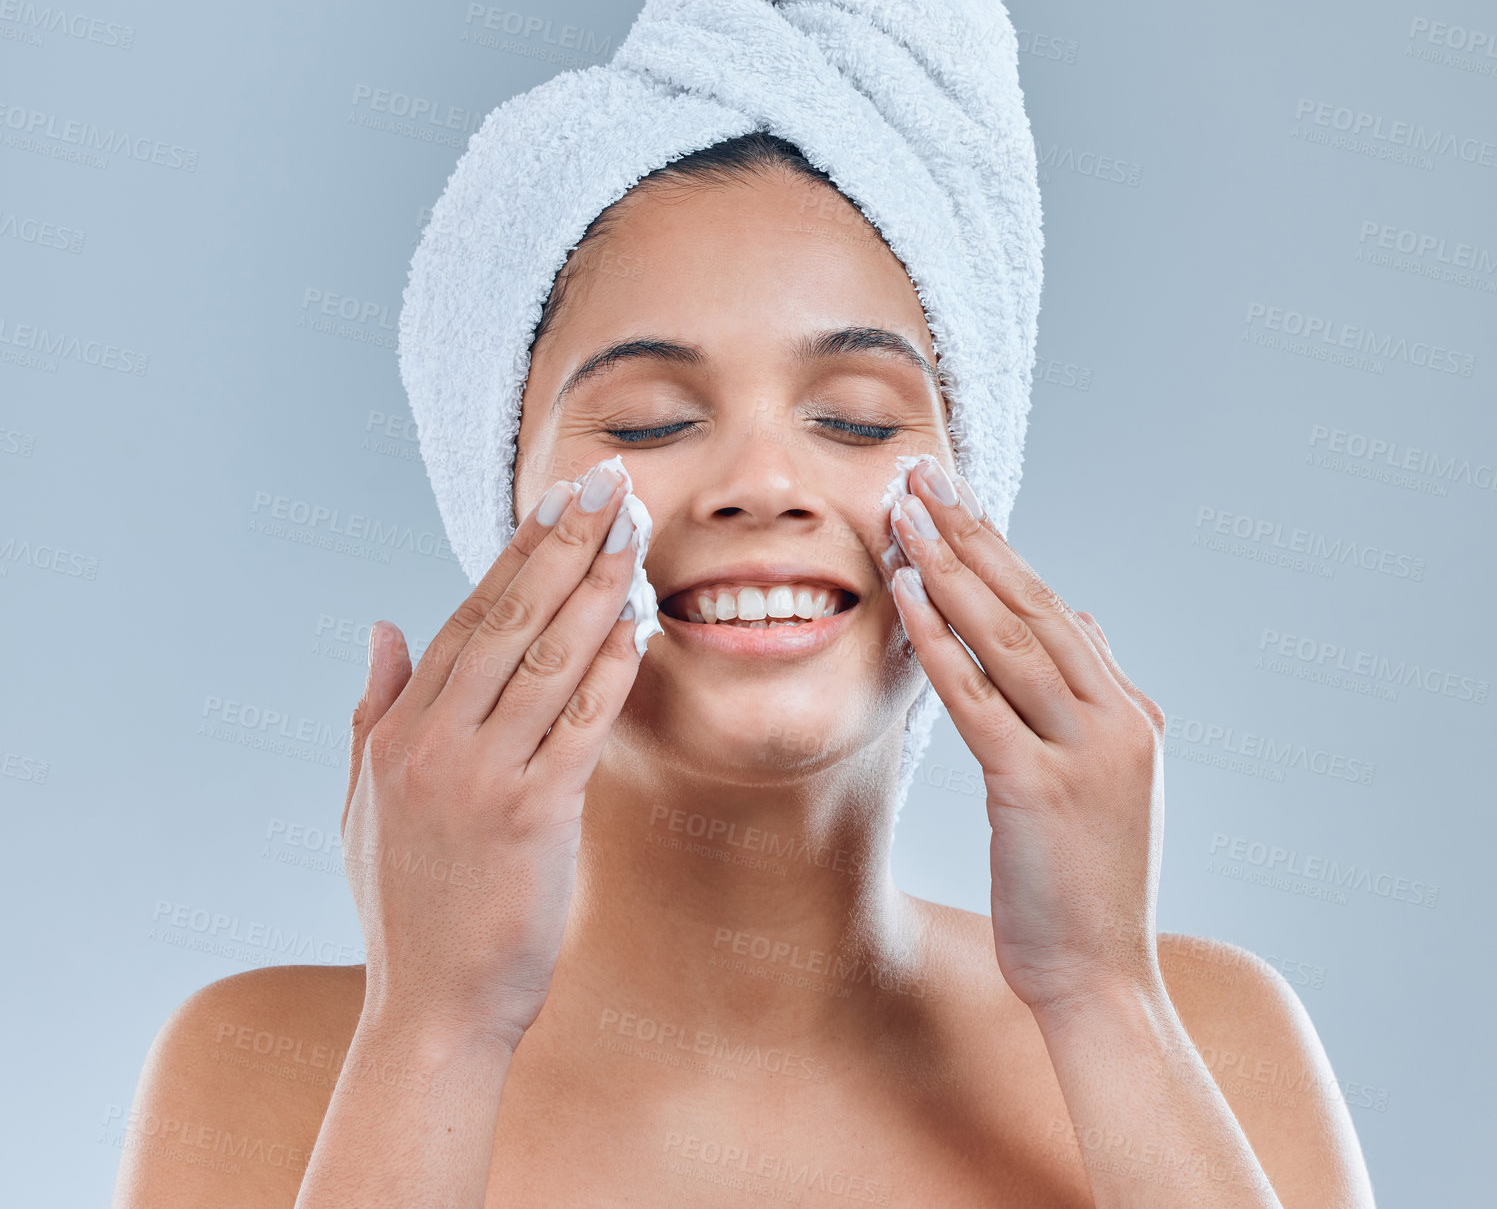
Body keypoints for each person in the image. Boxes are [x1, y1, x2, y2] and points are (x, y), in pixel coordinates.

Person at [114, 131, 1375, 1208]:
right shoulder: (264, 1069)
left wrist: (1103, 998)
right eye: (653, 420)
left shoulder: (1210, 1040)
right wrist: (436, 1033)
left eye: (860, 420)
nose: (764, 486)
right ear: (500, 508)